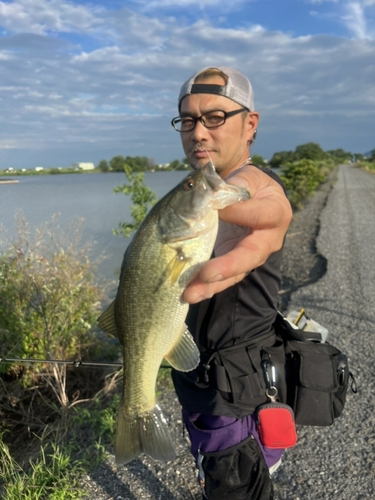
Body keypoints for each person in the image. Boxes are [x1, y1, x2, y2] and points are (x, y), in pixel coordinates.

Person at [170, 66, 293, 499]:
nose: (198, 132)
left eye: (215, 117)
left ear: (250, 124)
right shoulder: (198, 194)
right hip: (200, 383)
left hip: (236, 395)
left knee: (237, 484)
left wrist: (226, 201)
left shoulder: (252, 186)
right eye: (188, 119)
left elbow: (253, 194)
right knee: (215, 476)